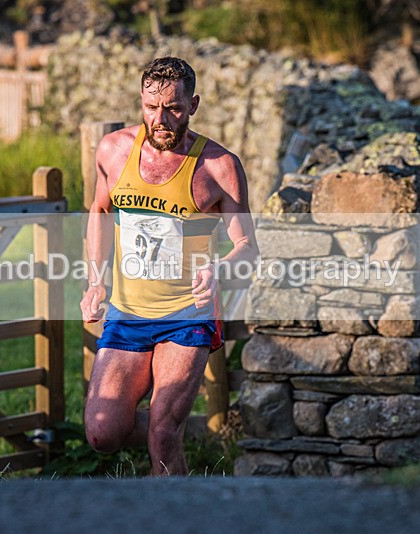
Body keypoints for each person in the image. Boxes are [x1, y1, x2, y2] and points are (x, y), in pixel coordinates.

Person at [80, 56, 258, 476]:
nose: (160, 120)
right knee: (103, 433)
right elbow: (99, 211)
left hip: (187, 315)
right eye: (150, 107)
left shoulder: (219, 166)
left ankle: (174, 489)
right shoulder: (113, 150)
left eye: (173, 108)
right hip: (128, 312)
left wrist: (220, 269)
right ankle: (177, 434)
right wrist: (96, 281)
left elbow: (248, 248)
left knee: (162, 433)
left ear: (193, 105)